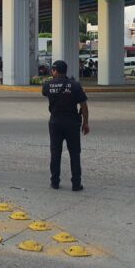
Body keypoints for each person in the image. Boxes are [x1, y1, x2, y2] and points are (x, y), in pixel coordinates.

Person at [42, 60, 89, 191]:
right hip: (72, 123)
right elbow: (84, 106)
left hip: (55, 123)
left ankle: (55, 182)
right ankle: (76, 184)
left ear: (55, 71)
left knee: (55, 152)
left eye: (53, 70)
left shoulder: (48, 85)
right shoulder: (75, 85)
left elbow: (45, 92)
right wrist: (85, 123)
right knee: (74, 153)